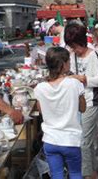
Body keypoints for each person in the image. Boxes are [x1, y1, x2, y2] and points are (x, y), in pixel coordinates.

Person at [34, 47, 86, 179]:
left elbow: (41, 111)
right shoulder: (74, 84)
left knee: (57, 175)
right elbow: (83, 108)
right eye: (68, 61)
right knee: (75, 173)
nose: (70, 63)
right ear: (63, 64)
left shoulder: (40, 88)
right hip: (70, 140)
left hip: (50, 140)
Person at [65, 23, 98, 179]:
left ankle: (87, 175)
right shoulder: (72, 55)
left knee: (84, 142)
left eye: (75, 46)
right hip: (78, 103)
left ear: (82, 41)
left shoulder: (93, 55)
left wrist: (84, 79)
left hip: (91, 102)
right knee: (84, 141)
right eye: (71, 47)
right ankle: (93, 173)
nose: (74, 50)